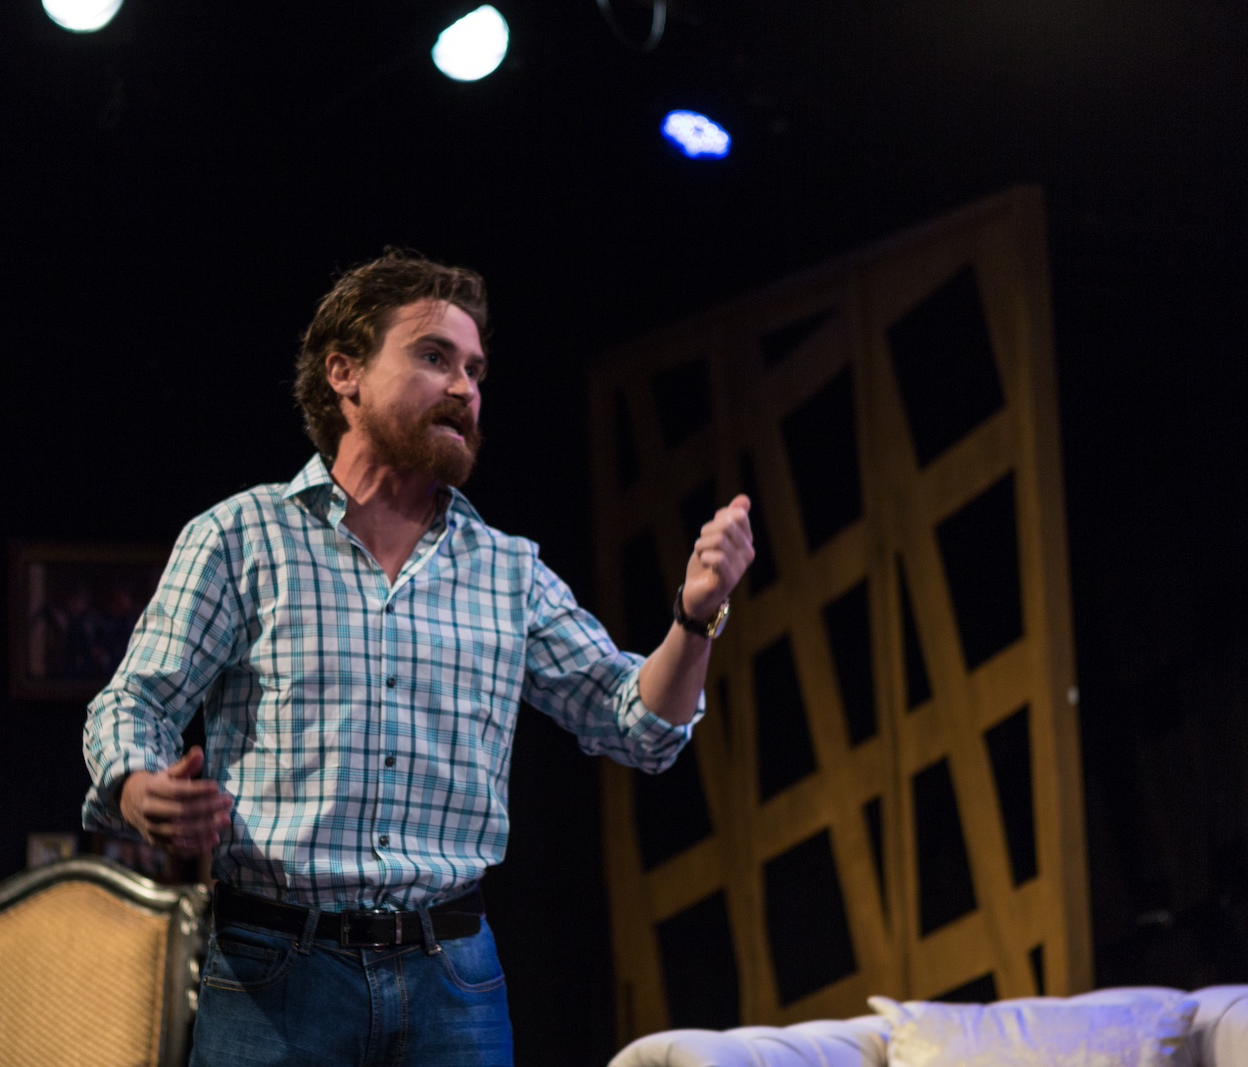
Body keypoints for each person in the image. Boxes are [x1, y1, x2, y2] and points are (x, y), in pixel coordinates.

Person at [82, 251, 755, 1066]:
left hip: (452, 980)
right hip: (276, 972)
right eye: (435, 356)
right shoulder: (241, 537)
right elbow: (134, 703)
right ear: (345, 373)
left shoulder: (507, 569)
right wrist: (137, 785)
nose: (464, 387)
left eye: (475, 369)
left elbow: (637, 722)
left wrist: (694, 617)